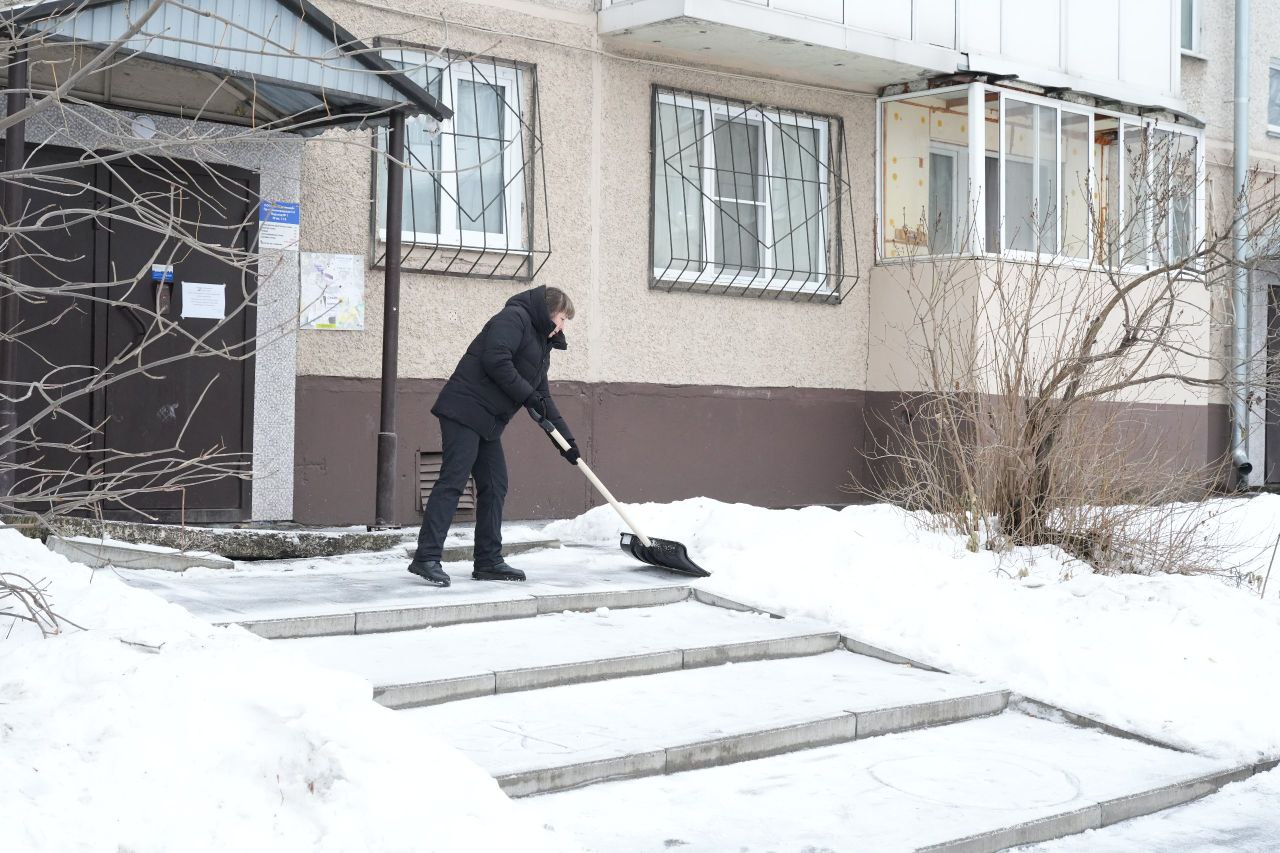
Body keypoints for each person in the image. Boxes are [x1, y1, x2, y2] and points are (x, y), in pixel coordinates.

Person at [407, 285, 580, 587]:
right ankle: (426, 557)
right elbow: (496, 360)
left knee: (495, 485)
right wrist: (527, 396)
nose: (563, 327)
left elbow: (542, 398)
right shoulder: (514, 318)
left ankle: (488, 560)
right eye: (563, 318)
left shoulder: (540, 345)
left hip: (487, 421)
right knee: (453, 480)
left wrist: (567, 444)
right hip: (464, 409)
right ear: (549, 312)